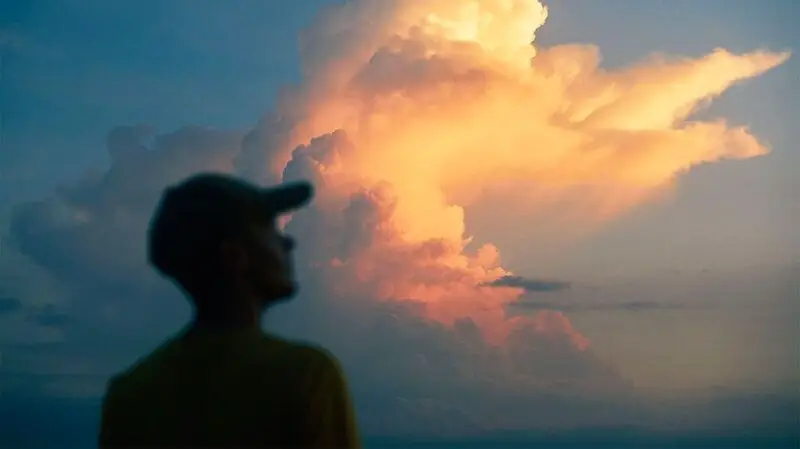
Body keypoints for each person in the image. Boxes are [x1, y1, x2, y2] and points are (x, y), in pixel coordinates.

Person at [98, 172, 361, 448]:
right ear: (235, 255)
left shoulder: (129, 393)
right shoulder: (305, 374)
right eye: (270, 228)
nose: (287, 242)